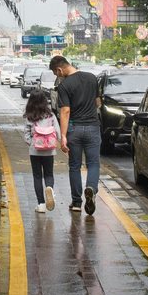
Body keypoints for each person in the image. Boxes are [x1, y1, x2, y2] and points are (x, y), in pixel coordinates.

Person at [50, 54, 101, 214]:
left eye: (56, 73)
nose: (57, 76)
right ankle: (91, 188)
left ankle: (77, 202)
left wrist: (63, 136)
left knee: (74, 166)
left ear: (59, 69)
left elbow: (65, 111)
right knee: (93, 163)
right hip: (93, 127)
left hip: (74, 129)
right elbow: (98, 102)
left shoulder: (65, 85)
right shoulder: (92, 78)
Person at [23, 91, 59, 212]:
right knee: (49, 174)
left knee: (37, 176)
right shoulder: (51, 115)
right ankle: (49, 189)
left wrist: (32, 143)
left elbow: (26, 134)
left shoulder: (30, 116)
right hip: (49, 150)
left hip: (35, 151)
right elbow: (57, 132)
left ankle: (41, 204)